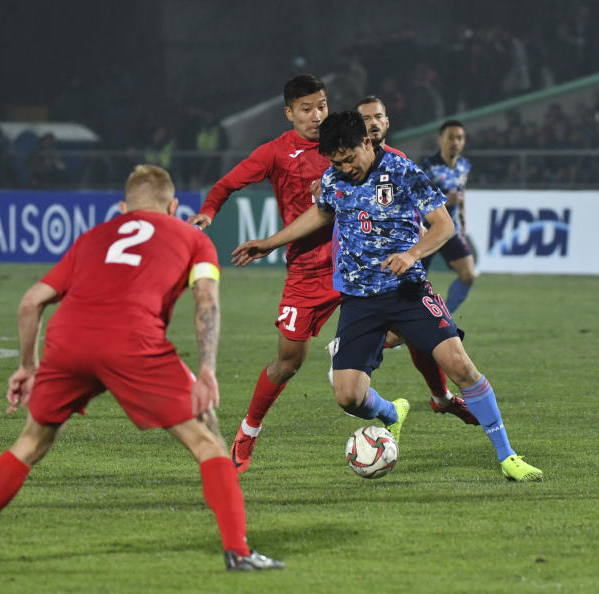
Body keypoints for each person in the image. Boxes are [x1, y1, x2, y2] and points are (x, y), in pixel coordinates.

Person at [0, 165, 284, 571]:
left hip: (68, 340)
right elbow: (206, 299)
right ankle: (238, 553)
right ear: (174, 206)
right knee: (206, 438)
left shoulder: (92, 237)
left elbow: (31, 302)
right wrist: (206, 369)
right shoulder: (192, 237)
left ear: (122, 208)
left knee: (31, 442)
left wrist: (28, 367)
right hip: (132, 341)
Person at [232, 111, 543, 482]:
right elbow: (320, 214)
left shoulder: (402, 170)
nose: (345, 168)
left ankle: (508, 456)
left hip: (408, 292)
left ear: (366, 142)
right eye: (337, 162)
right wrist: (269, 243)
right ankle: (392, 413)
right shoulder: (334, 179)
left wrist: (411, 255)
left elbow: (443, 225)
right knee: (347, 396)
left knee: (461, 367)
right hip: (360, 300)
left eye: (350, 158)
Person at [188, 76, 473, 475]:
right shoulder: (275, 153)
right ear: (289, 113)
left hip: (359, 267)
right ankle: (248, 432)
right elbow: (228, 183)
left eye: (321, 106)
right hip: (307, 272)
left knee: (418, 333)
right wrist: (210, 211)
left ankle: (440, 397)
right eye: (306, 109)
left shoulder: (347, 146)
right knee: (287, 362)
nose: (316, 115)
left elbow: (393, 176)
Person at [354, 95, 478, 425]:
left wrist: (459, 214)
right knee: (411, 322)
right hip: (413, 240)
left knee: (466, 274)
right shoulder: (423, 165)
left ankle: (438, 386)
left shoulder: (454, 166)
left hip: (437, 231)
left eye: (379, 116)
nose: (456, 142)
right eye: (367, 118)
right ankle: (372, 344)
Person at [420, 120, 476, 314]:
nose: (455, 142)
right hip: (427, 230)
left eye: (459, 137)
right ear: (440, 140)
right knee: (414, 285)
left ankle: (445, 317)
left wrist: (463, 217)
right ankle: (401, 333)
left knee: (468, 274)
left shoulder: (464, 166)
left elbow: (461, 193)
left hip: (450, 230)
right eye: (450, 137)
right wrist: (445, 201)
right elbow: (418, 200)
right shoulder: (428, 167)